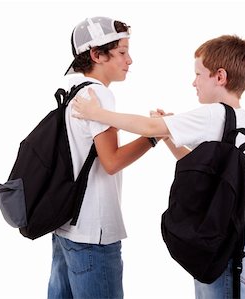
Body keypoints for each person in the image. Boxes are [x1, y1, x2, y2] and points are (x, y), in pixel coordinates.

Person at [72, 34, 245, 299]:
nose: (194, 82)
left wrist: (96, 114)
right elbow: (198, 166)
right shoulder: (238, 119)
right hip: (230, 233)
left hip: (220, 237)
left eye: (199, 74)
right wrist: (170, 134)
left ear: (220, 77)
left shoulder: (212, 114)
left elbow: (148, 128)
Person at [47, 16, 158, 299]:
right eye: (122, 52)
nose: (129, 60)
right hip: (93, 233)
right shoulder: (99, 95)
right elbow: (112, 161)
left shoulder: (70, 89)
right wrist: (154, 137)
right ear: (96, 54)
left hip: (64, 225)